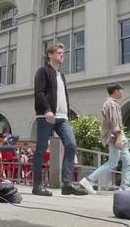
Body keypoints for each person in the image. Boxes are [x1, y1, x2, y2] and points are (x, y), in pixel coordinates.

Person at [32, 43, 87, 197]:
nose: (62, 55)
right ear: (50, 55)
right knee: (41, 151)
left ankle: (67, 184)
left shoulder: (61, 75)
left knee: (71, 145)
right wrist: (47, 110)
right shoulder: (42, 71)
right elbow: (39, 92)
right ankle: (37, 186)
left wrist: (67, 113)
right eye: (59, 52)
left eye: (63, 53)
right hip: (46, 116)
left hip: (63, 118)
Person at [79, 83, 130, 193]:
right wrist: (118, 137)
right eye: (121, 90)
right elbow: (114, 122)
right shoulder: (112, 104)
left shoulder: (111, 104)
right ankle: (88, 180)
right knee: (113, 162)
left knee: (127, 162)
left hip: (118, 137)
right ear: (116, 91)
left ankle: (125, 188)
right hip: (116, 137)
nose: (122, 92)